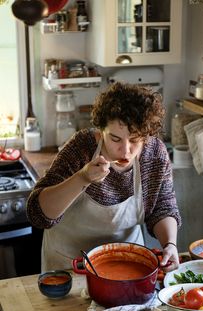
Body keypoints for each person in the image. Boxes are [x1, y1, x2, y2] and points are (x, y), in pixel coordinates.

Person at [27, 82, 181, 272]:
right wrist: (82, 178)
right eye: (115, 139)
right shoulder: (81, 148)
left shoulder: (155, 154)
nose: (125, 150)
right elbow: (38, 214)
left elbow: (162, 208)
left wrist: (170, 245)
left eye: (134, 140)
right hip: (70, 266)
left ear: (147, 136)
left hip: (128, 263)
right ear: (100, 133)